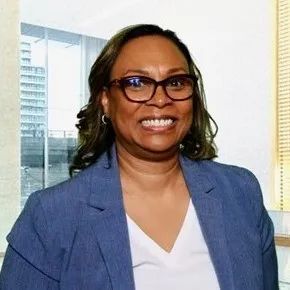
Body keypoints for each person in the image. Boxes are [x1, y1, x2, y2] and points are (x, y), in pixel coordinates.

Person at [0, 24, 278, 290]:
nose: (160, 99)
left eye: (177, 82)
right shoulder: (51, 216)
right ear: (106, 100)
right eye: (136, 83)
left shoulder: (241, 193)